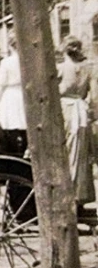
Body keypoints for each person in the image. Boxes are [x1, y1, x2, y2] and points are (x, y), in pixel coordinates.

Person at [57, 36, 96, 218]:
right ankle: (80, 199)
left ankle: (69, 200)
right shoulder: (88, 67)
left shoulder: (61, 67)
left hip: (65, 112)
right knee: (81, 158)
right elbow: (94, 97)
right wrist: (93, 115)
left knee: (66, 155)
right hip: (82, 114)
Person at [0, 33, 27, 156]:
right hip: (24, 94)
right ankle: (24, 151)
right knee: (24, 124)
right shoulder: (28, 61)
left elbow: (1, 84)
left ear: (10, 46)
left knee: (11, 125)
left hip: (11, 95)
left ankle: (14, 153)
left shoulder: (6, 62)